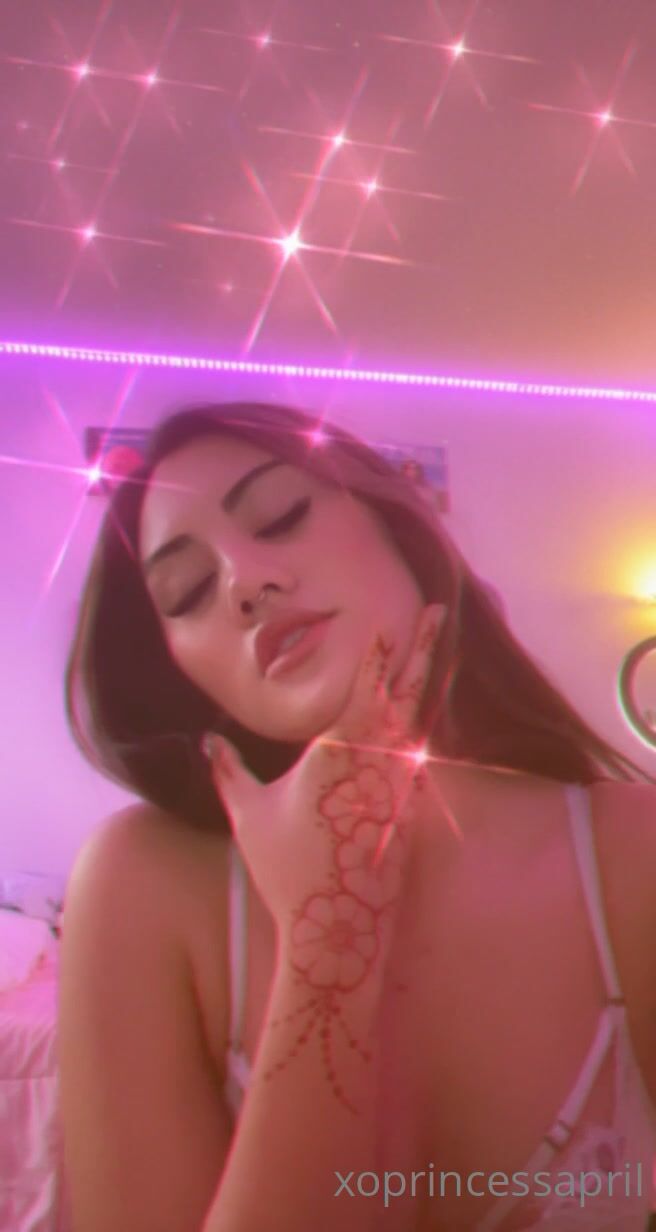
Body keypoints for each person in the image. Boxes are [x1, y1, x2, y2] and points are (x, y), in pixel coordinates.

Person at [59, 400, 656, 1232]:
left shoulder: (632, 846)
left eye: (281, 516)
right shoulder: (143, 882)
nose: (245, 582)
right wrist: (329, 936)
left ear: (396, 528)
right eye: (186, 592)